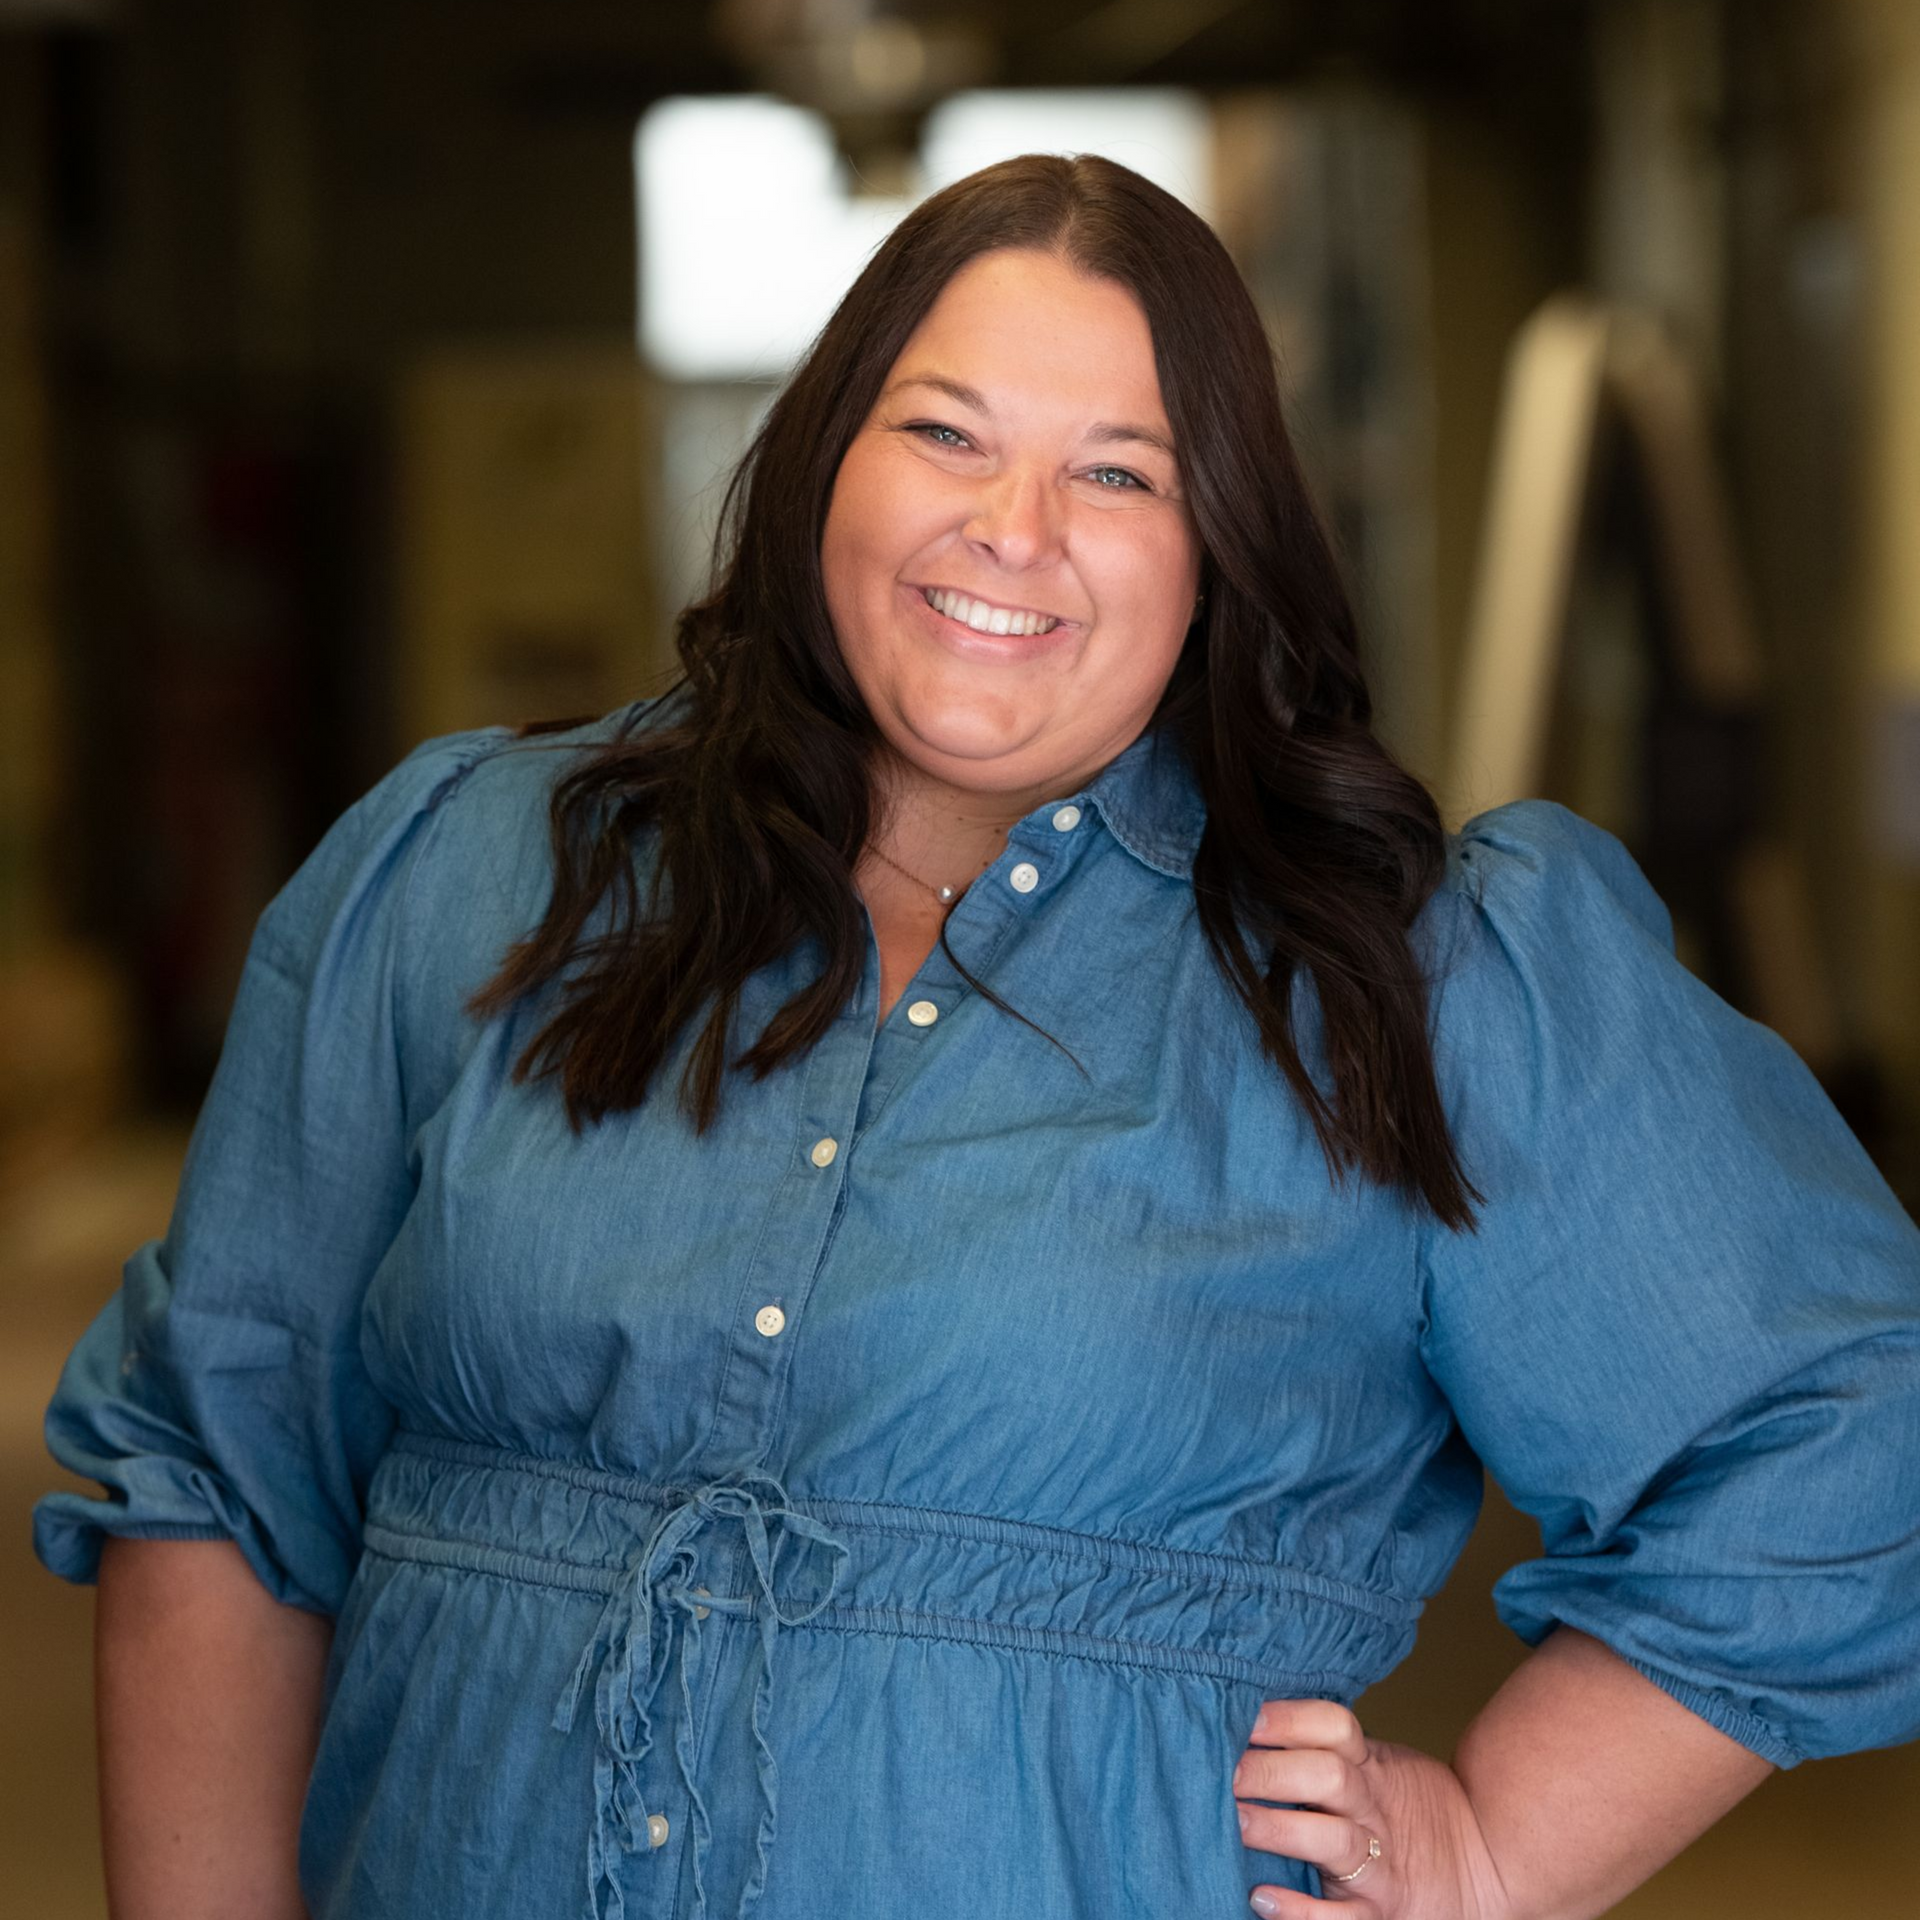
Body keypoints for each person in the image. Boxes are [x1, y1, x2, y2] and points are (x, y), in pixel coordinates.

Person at [34, 152, 1920, 1920]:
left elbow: (1852, 1423)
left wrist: (1501, 1841)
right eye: (944, 433)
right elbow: (221, 1462)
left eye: (1121, 473)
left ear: (1219, 548)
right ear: (821, 462)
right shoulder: (474, 880)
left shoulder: (1410, 972)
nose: (1010, 533)